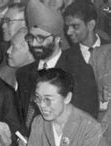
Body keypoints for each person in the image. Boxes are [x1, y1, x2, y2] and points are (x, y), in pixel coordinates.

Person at [16, 0, 97, 134]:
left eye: (41, 38)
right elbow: (20, 117)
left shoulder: (79, 71)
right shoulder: (23, 73)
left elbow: (88, 120)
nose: (35, 43)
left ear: (58, 39)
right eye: (31, 38)